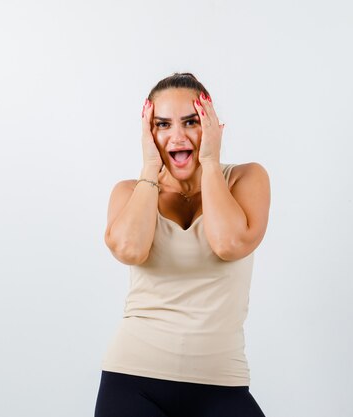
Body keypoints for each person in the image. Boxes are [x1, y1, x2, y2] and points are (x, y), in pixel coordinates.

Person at [93, 73, 270, 417]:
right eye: (162, 125)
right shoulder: (129, 192)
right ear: (149, 134)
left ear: (213, 127)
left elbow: (230, 243)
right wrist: (149, 169)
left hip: (222, 382)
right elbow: (130, 250)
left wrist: (210, 165)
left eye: (191, 121)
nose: (177, 136)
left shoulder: (246, 179)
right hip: (133, 379)